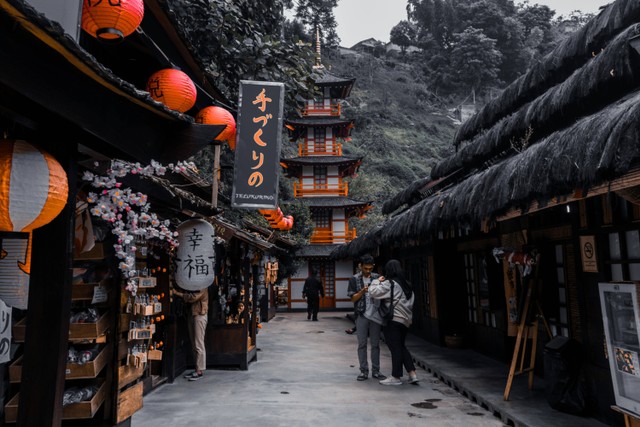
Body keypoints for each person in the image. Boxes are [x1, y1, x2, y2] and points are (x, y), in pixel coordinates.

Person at [369, 259, 419, 386]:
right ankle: (412, 373)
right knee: (401, 346)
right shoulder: (407, 284)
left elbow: (373, 292)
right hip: (406, 320)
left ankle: (396, 376)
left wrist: (376, 281)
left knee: (395, 347)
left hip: (393, 320)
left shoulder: (390, 284)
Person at [347, 254, 386, 381]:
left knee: (375, 344)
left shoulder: (377, 277)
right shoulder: (354, 279)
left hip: (376, 314)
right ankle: (363, 371)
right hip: (361, 314)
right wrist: (363, 292)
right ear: (360, 266)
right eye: (365, 268)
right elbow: (353, 299)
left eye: (370, 268)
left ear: (373, 267)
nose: (368, 271)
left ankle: (376, 370)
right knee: (362, 344)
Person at [173, 287, 209, 381]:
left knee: (198, 344)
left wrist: (178, 293)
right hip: (193, 314)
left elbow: (193, 297)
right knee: (194, 344)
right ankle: (196, 369)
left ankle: (199, 371)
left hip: (200, 315)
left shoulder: (203, 287)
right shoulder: (195, 285)